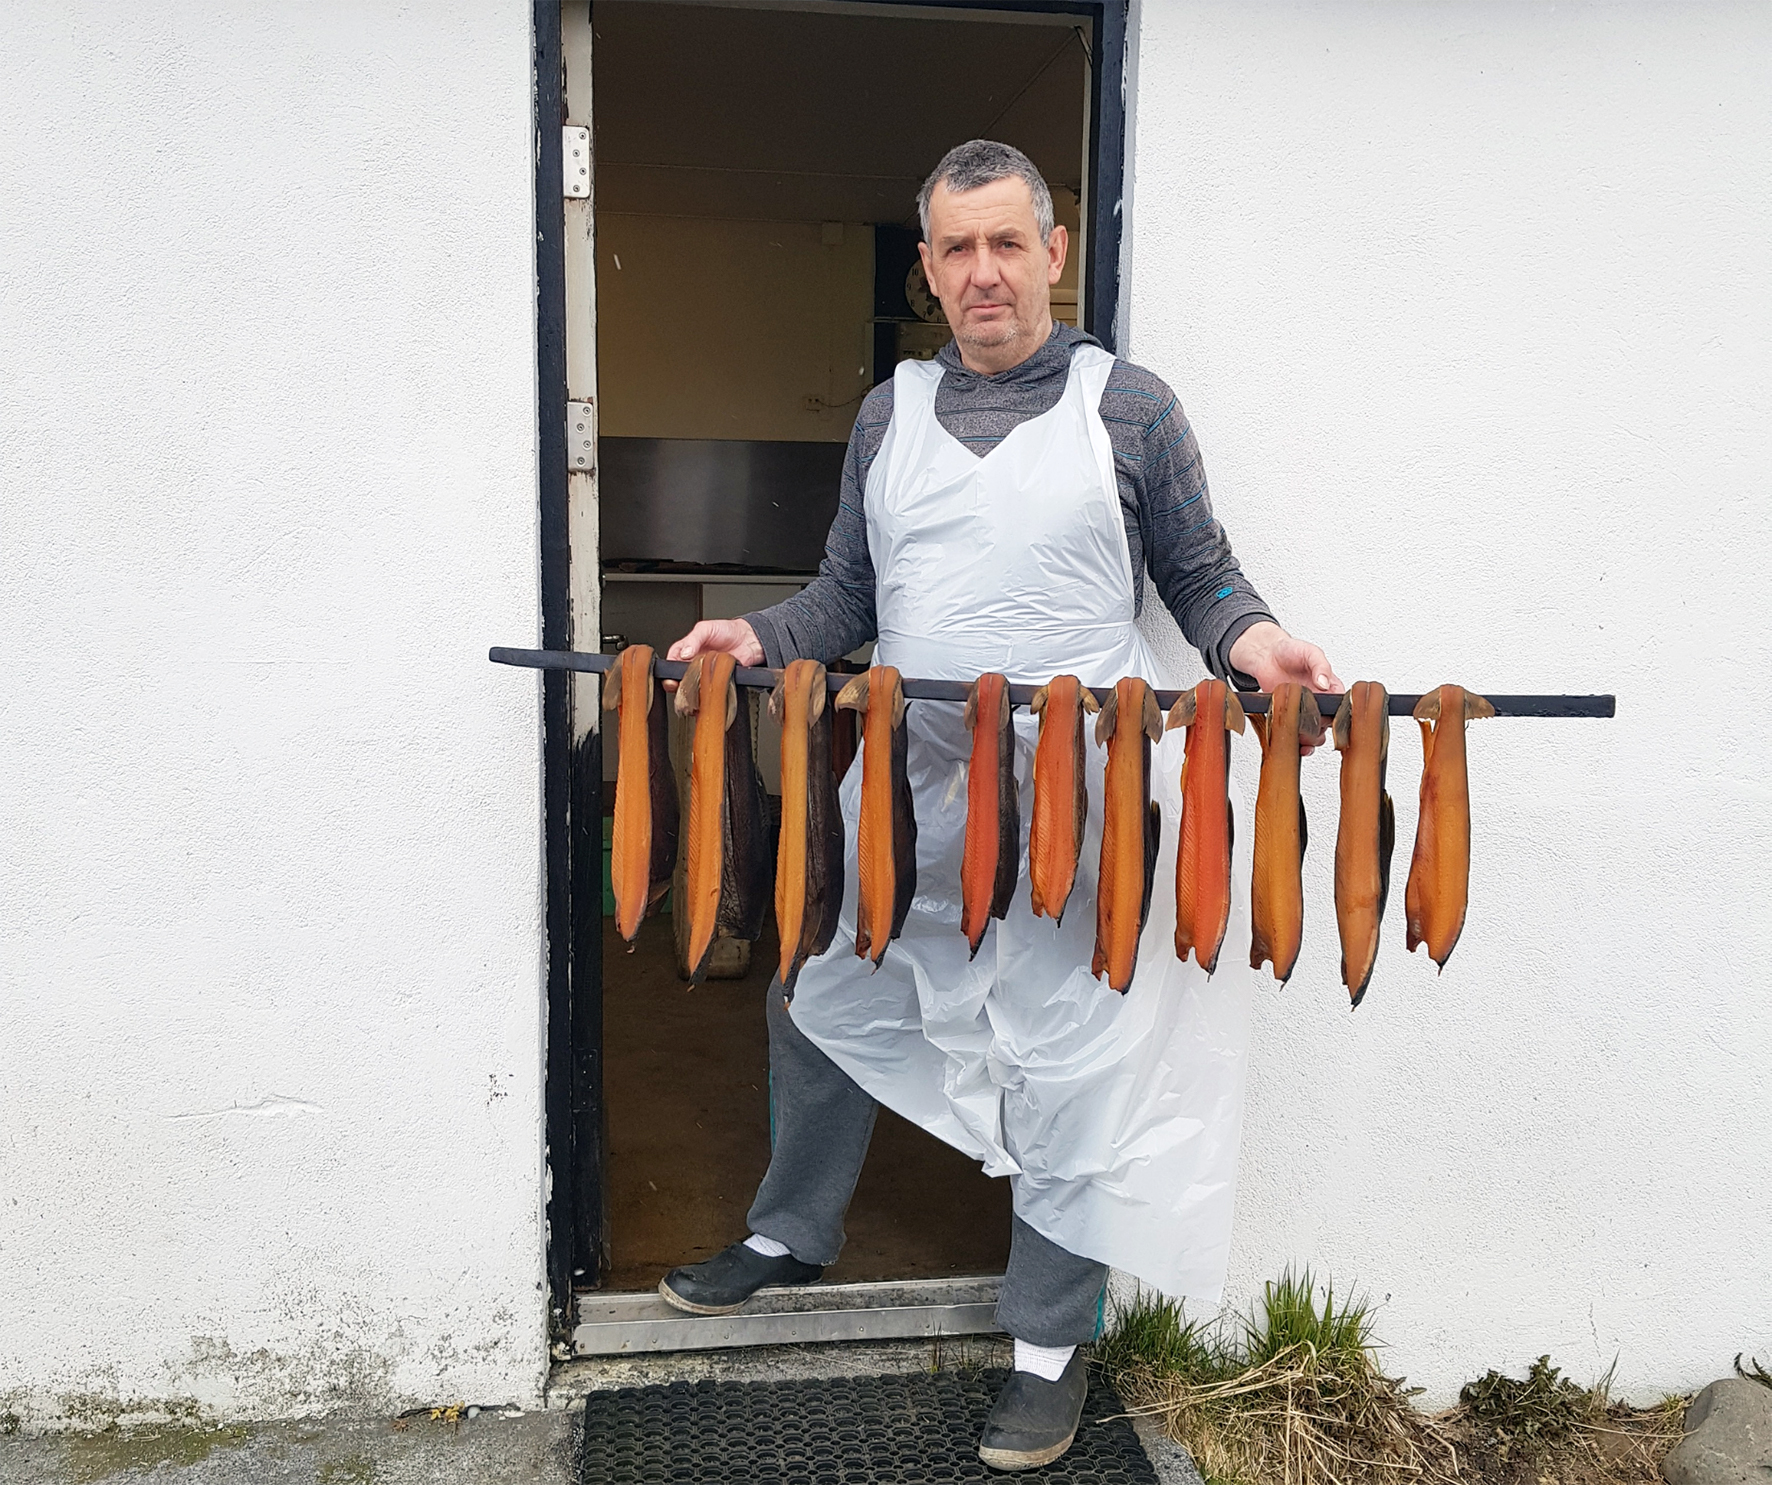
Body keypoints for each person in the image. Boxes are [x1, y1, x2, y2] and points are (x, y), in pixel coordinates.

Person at [658, 139, 1342, 1472]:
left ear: (1054, 252)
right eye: (956, 248)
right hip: (909, 788)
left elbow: (1202, 582)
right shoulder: (887, 415)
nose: (983, 272)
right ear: (927, 267)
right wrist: (755, 636)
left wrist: (1260, 652)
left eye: (1007, 244)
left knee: (1071, 1056)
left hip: (1080, 799)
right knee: (818, 991)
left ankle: (1045, 1346)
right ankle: (791, 1230)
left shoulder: (1129, 407)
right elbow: (843, 605)